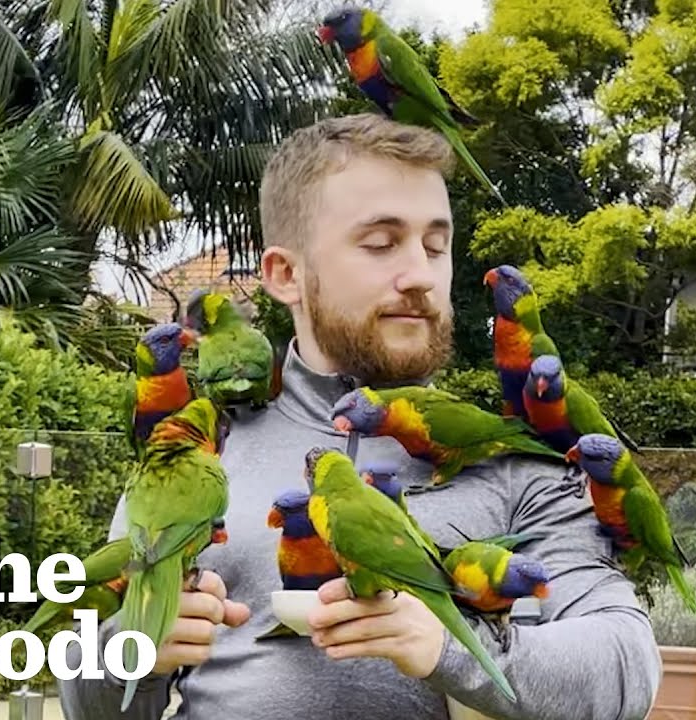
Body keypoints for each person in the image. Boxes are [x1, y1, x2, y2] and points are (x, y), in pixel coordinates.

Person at [58, 113, 662, 719]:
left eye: (436, 245)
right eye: (380, 244)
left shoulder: (517, 464)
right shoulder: (197, 449)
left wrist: (448, 646)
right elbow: (87, 701)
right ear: (285, 275)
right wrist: (126, 651)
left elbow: (626, 668)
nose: (421, 276)